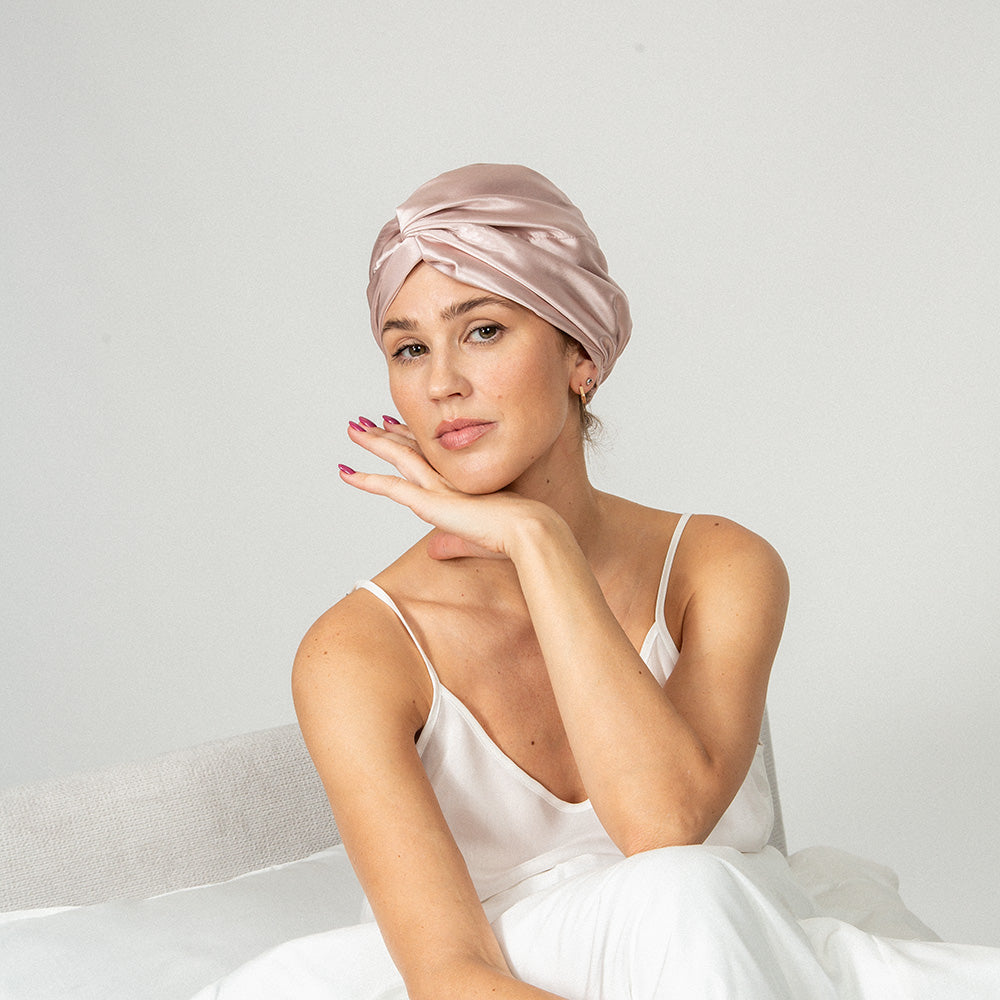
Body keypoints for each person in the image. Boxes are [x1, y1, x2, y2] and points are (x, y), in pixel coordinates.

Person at [206, 164, 1000, 999]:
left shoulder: (718, 565)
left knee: (691, 889)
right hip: (514, 982)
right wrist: (536, 534)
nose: (441, 384)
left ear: (581, 354)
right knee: (683, 891)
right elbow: (451, 975)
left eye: (482, 331)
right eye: (409, 349)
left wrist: (538, 542)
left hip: (740, 954)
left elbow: (664, 823)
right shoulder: (357, 651)